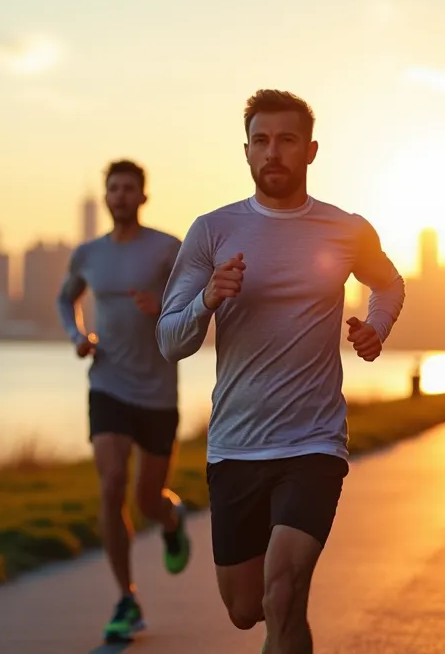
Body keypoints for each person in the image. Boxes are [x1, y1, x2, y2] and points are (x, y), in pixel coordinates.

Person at [157, 89, 406, 653]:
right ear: (245, 152)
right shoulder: (212, 231)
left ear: (311, 151)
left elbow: (388, 283)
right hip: (235, 447)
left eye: (287, 141)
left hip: (313, 443)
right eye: (262, 141)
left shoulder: (345, 229)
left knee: (283, 590)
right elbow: (170, 341)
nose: (274, 152)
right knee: (249, 609)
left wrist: (377, 327)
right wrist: (207, 301)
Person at [57, 158, 191, 644]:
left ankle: (170, 518)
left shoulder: (167, 248)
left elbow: (196, 296)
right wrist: (77, 335)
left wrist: (166, 305)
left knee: (146, 500)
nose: (120, 196)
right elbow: (64, 298)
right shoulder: (88, 254)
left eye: (129, 188)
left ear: (143, 196)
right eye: (113, 189)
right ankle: (126, 598)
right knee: (112, 485)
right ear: (106, 196)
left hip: (157, 393)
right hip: (108, 384)